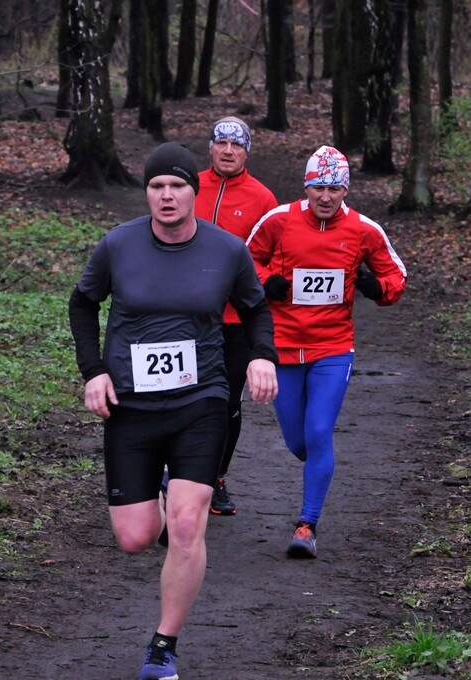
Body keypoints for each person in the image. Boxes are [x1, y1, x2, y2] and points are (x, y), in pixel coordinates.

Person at [68, 141, 279, 679]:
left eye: (177, 186)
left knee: (187, 526)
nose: (166, 195)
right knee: (135, 537)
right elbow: (83, 303)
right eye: (156, 186)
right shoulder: (118, 245)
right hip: (131, 405)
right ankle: (161, 500)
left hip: (200, 400)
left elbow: (257, 308)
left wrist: (262, 356)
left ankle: (163, 648)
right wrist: (93, 371)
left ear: (193, 191)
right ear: (147, 193)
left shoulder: (226, 250)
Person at [246, 145, 407, 559]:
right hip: (283, 347)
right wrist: (266, 282)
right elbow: (244, 262)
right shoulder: (279, 220)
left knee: (319, 432)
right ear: (307, 187)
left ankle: (307, 525)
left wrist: (377, 287)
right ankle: (316, 462)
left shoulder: (364, 229)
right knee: (298, 442)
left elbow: (396, 275)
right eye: (318, 187)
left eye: (334, 188)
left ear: (345, 190)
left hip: (332, 348)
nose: (325, 196)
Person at [195, 116, 279, 516]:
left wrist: (266, 283)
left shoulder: (263, 198)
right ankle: (177, 473)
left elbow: (275, 254)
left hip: (235, 320)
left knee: (227, 400)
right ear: (211, 147)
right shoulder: (189, 185)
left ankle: (216, 477)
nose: (228, 151)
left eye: (237, 145)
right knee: (181, 394)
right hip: (187, 315)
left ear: (247, 152)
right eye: (222, 143)